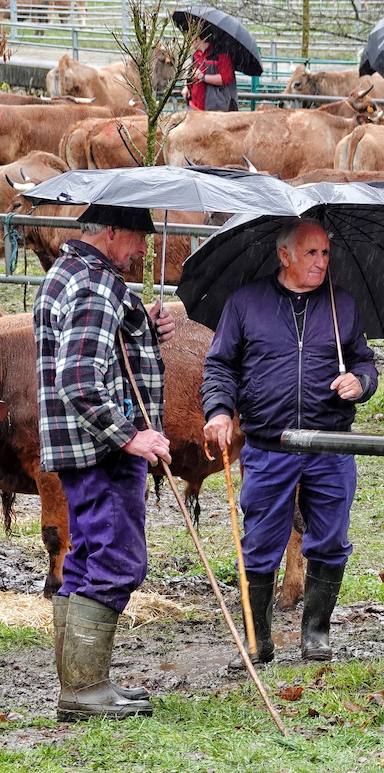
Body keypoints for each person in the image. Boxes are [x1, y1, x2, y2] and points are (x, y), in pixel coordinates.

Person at [201, 219, 378, 667]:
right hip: (268, 444)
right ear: (284, 256)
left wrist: (360, 381)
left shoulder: (343, 305)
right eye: (311, 253)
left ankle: (316, 632)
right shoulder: (246, 303)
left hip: (330, 444)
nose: (322, 262)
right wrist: (219, 411)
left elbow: (365, 362)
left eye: (325, 253)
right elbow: (220, 365)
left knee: (332, 538)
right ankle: (258, 643)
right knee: (260, 541)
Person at [35, 204, 177, 720]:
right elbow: (78, 379)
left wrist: (143, 327)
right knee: (118, 560)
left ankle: (81, 684)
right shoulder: (96, 286)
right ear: (113, 232)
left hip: (76, 448)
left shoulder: (67, 274)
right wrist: (131, 437)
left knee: (87, 558)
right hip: (101, 450)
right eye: (140, 237)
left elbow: (95, 351)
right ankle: (84, 691)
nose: (144, 250)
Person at [183, 34, 237, 111]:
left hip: (215, 107)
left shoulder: (221, 55)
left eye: (191, 37)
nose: (189, 40)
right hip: (195, 105)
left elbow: (225, 78)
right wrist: (187, 87)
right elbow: (192, 74)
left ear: (198, 38)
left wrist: (203, 77)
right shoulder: (195, 55)